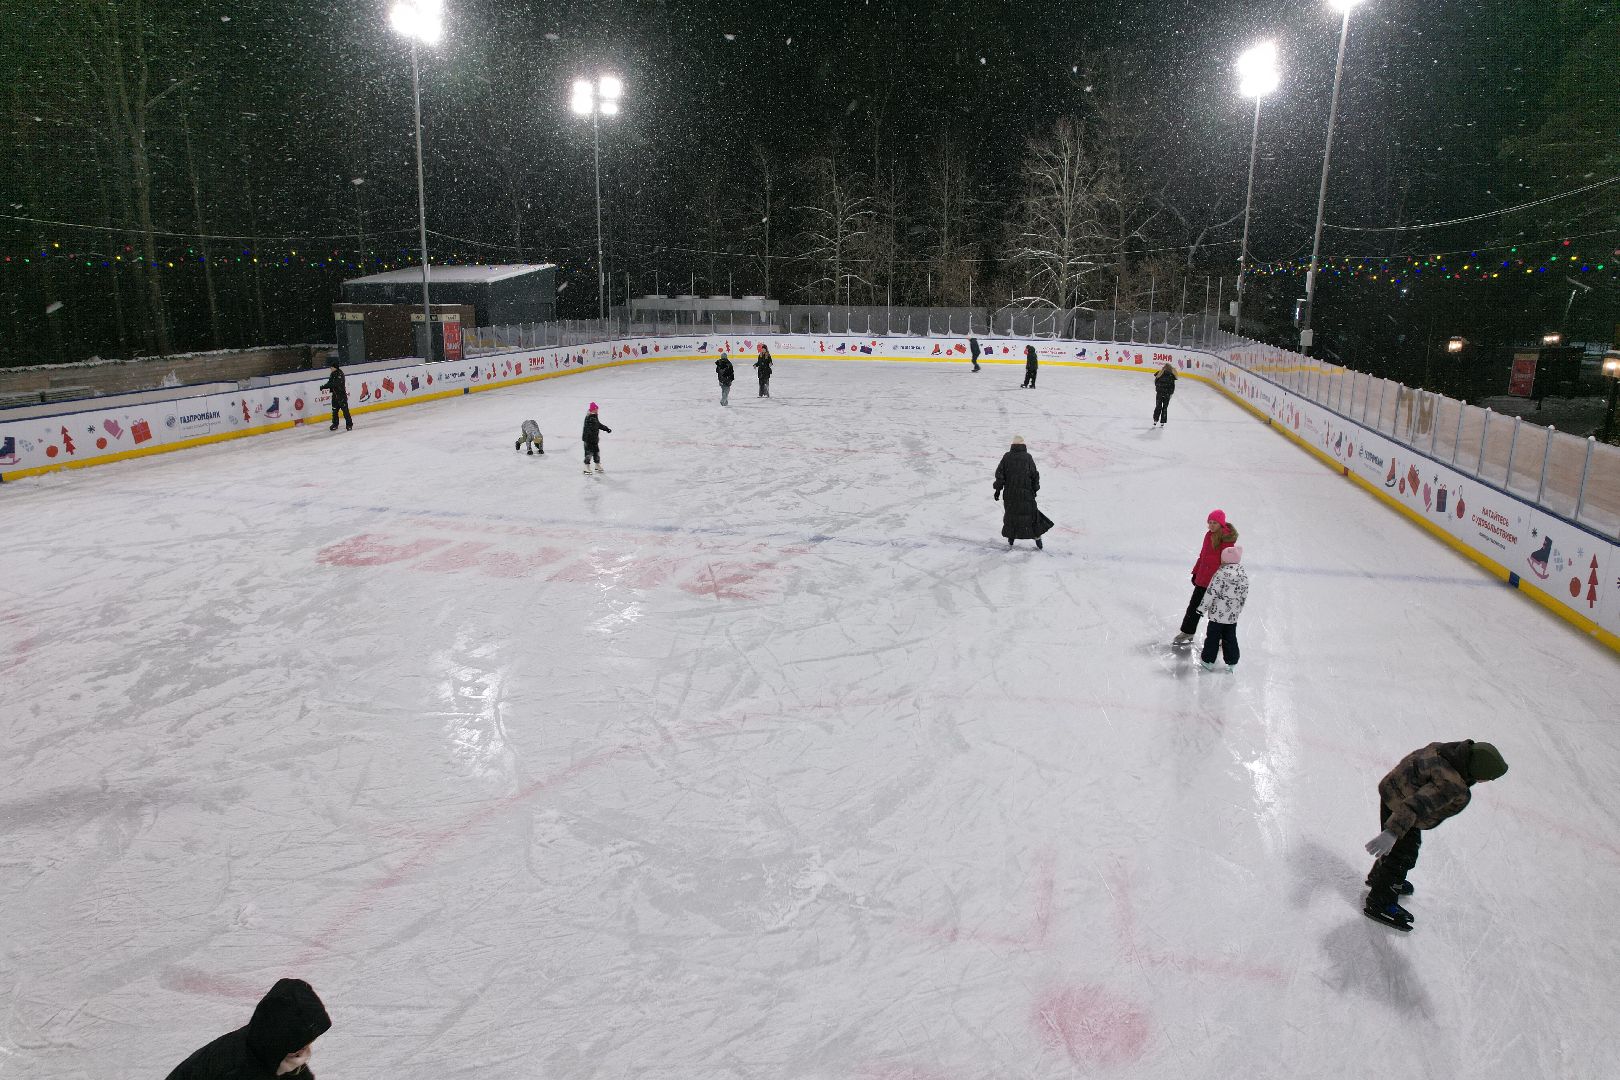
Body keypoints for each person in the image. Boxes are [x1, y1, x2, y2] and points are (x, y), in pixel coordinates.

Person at [1363, 741, 1508, 931]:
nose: (1486, 781)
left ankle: (1380, 878)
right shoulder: (1450, 784)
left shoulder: (1447, 752)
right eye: (1487, 778)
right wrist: (1392, 831)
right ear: (1478, 770)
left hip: (1393, 788)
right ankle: (1380, 901)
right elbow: (1416, 805)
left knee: (1399, 850)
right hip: (1403, 811)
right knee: (1402, 857)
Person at [165, 977, 330, 1079]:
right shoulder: (238, 1070)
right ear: (281, 1041)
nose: (305, 1051)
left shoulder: (271, 1049)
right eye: (300, 1046)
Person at [1172, 511, 1238, 645]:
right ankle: (1188, 631)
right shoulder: (1208, 535)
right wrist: (1196, 572)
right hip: (1203, 580)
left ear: (1221, 523)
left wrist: (1224, 581)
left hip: (1217, 583)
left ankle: (1220, 638)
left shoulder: (1227, 540)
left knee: (1216, 612)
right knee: (1194, 607)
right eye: (1210, 522)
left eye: (1215, 523)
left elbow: (1228, 563)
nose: (1211, 525)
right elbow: (1202, 556)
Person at [993, 435, 1054, 549]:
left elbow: (1000, 475)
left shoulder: (1007, 457)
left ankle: (1011, 538)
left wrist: (997, 490)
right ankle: (1037, 539)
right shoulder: (1027, 457)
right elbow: (1034, 475)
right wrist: (1035, 489)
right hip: (1026, 493)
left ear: (1013, 445)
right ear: (1023, 444)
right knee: (1031, 516)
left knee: (1012, 516)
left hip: (1010, 494)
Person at [1197, 545, 1248, 671]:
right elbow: (1243, 595)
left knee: (1212, 638)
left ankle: (1208, 660)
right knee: (1230, 638)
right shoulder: (1243, 574)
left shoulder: (1221, 574)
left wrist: (1201, 608)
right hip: (1232, 617)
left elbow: (1211, 592)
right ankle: (1232, 662)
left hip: (1217, 616)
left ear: (1225, 560)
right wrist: (1238, 610)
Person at [582, 402, 611, 474]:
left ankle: (597, 465)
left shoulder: (594, 416)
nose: (597, 410)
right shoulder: (589, 418)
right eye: (596, 409)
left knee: (596, 452)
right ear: (593, 409)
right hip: (588, 440)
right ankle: (586, 467)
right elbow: (589, 429)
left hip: (594, 440)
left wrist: (606, 429)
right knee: (589, 453)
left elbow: (598, 425)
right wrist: (590, 438)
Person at [320, 364, 351, 432]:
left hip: (341, 395)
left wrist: (326, 386)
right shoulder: (332, 374)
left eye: (331, 367)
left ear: (335, 367)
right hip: (335, 395)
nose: (330, 369)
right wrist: (324, 386)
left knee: (345, 411)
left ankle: (349, 425)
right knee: (334, 411)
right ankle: (335, 424)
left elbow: (335, 384)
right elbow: (330, 382)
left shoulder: (340, 374)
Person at [1152, 362, 1176, 426]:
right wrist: (1170, 393)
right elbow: (1172, 386)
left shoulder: (1160, 373)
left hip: (1159, 393)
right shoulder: (1171, 376)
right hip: (1167, 394)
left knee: (1158, 406)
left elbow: (1156, 383)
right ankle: (1162, 422)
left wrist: (1158, 389)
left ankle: (1155, 420)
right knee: (1165, 408)